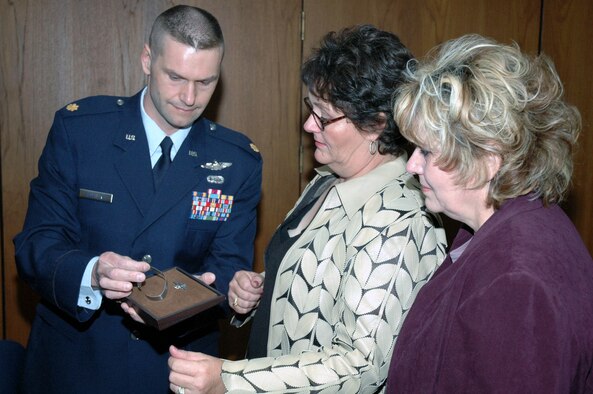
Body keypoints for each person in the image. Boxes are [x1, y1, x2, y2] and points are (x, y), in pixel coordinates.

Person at [167, 25, 447, 394]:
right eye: (310, 108)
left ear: (376, 124)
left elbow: (361, 366)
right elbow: (316, 287)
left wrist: (229, 380)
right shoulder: (327, 180)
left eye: (324, 116)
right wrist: (256, 293)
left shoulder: (400, 221)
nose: (308, 124)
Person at [13, 5, 262, 393]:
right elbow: (36, 245)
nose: (189, 97)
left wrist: (235, 291)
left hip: (172, 370)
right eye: (176, 77)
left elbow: (227, 266)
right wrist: (92, 272)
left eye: (205, 82)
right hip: (76, 365)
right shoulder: (81, 132)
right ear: (148, 60)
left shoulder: (237, 160)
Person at [386, 34, 593, 392]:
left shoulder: (515, 279)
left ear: (487, 158)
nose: (412, 165)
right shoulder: (507, 225)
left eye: (426, 151)